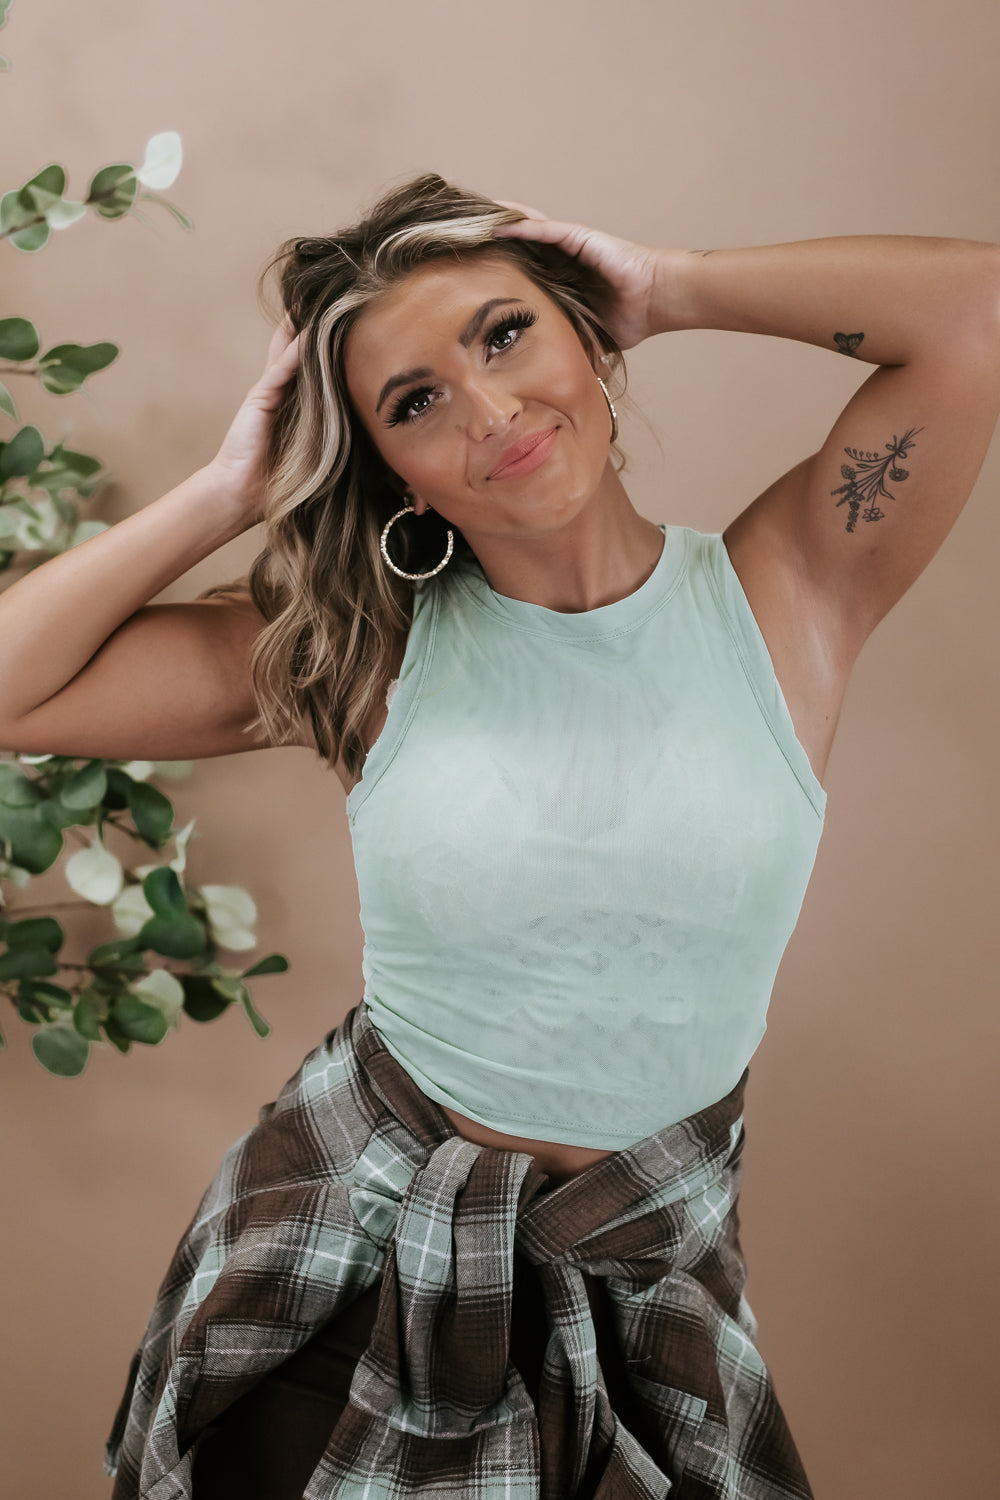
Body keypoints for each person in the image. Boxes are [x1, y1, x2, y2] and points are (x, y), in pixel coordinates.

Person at [1, 173, 998, 1499]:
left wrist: (668, 286)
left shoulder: (794, 590)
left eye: (506, 334)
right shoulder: (367, 655)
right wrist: (230, 489)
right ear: (390, 470)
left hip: (650, 1273)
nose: (489, 410)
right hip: (353, 1267)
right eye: (415, 402)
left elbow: (976, 307)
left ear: (589, 338)